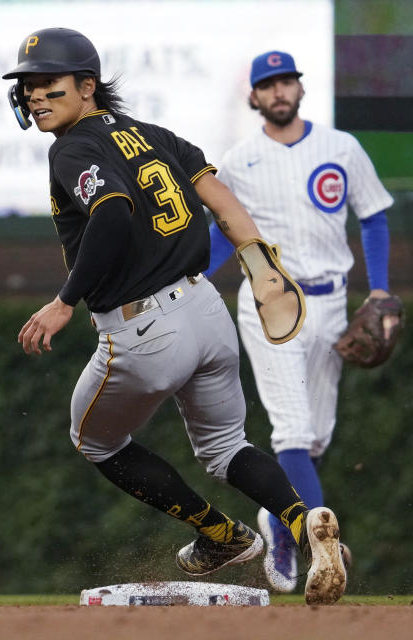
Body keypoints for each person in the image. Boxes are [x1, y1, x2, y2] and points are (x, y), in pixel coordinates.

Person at [5, 28, 346, 604]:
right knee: (226, 446)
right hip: (207, 310)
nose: (35, 95)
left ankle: (220, 536)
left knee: (94, 441)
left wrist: (65, 301)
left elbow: (111, 214)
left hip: (143, 328)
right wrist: (258, 259)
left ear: (87, 87)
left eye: (48, 83)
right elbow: (220, 198)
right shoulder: (152, 135)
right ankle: (301, 521)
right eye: (29, 86)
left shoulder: (70, 148)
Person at [205, 51, 397, 593]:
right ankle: (322, 550)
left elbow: (374, 215)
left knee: (314, 440)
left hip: (332, 304)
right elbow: (222, 233)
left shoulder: (342, 148)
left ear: (300, 88)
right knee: (291, 430)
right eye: (268, 84)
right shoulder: (239, 160)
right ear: (255, 97)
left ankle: (280, 524)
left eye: (286, 80)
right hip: (270, 303)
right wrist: (189, 277)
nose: (279, 90)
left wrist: (378, 286)